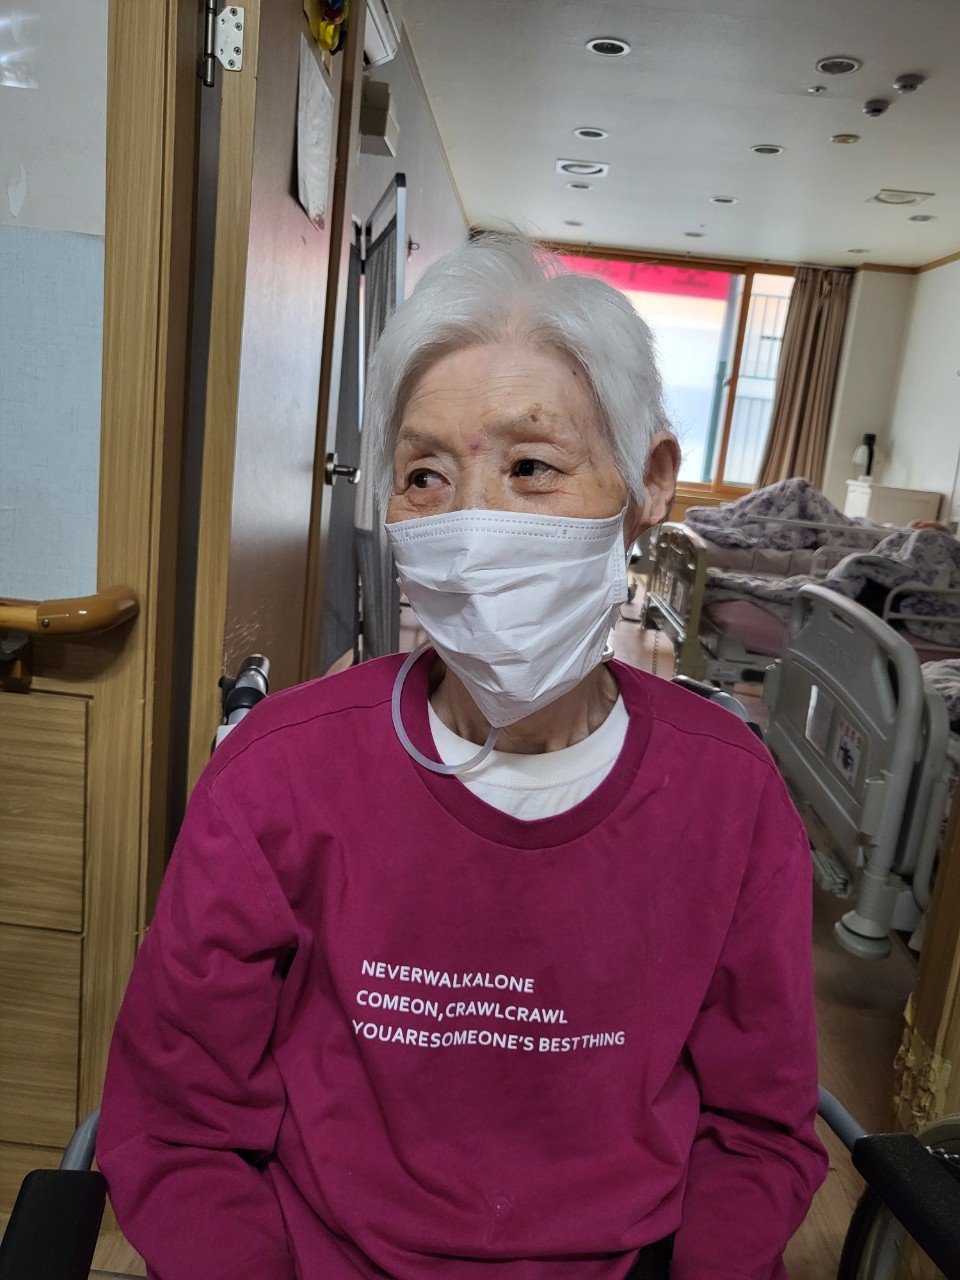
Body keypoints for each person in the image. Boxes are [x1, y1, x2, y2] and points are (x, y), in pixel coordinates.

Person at [98, 236, 827, 1280]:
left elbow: (757, 1135)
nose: (474, 524)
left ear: (649, 483)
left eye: (531, 468)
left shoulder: (728, 795)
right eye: (426, 476)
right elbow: (178, 1126)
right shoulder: (279, 775)